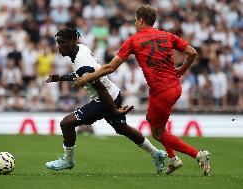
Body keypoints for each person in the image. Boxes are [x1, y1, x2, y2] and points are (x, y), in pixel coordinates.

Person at [74, 5, 211, 176]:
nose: (135, 23)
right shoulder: (167, 35)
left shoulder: (134, 40)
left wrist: (86, 78)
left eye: (135, 20)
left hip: (162, 91)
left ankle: (198, 155)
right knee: (153, 121)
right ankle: (172, 159)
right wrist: (181, 70)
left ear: (140, 20)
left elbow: (110, 67)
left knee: (158, 133)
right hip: (174, 87)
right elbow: (192, 52)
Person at [45, 27, 167, 174]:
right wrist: (61, 78)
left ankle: (68, 160)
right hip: (114, 93)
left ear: (72, 41)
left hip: (104, 99)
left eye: (62, 42)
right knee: (122, 128)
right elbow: (82, 74)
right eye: (58, 42)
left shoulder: (82, 63)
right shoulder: (81, 49)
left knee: (66, 123)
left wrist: (114, 110)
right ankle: (157, 154)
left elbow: (100, 88)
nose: (59, 46)